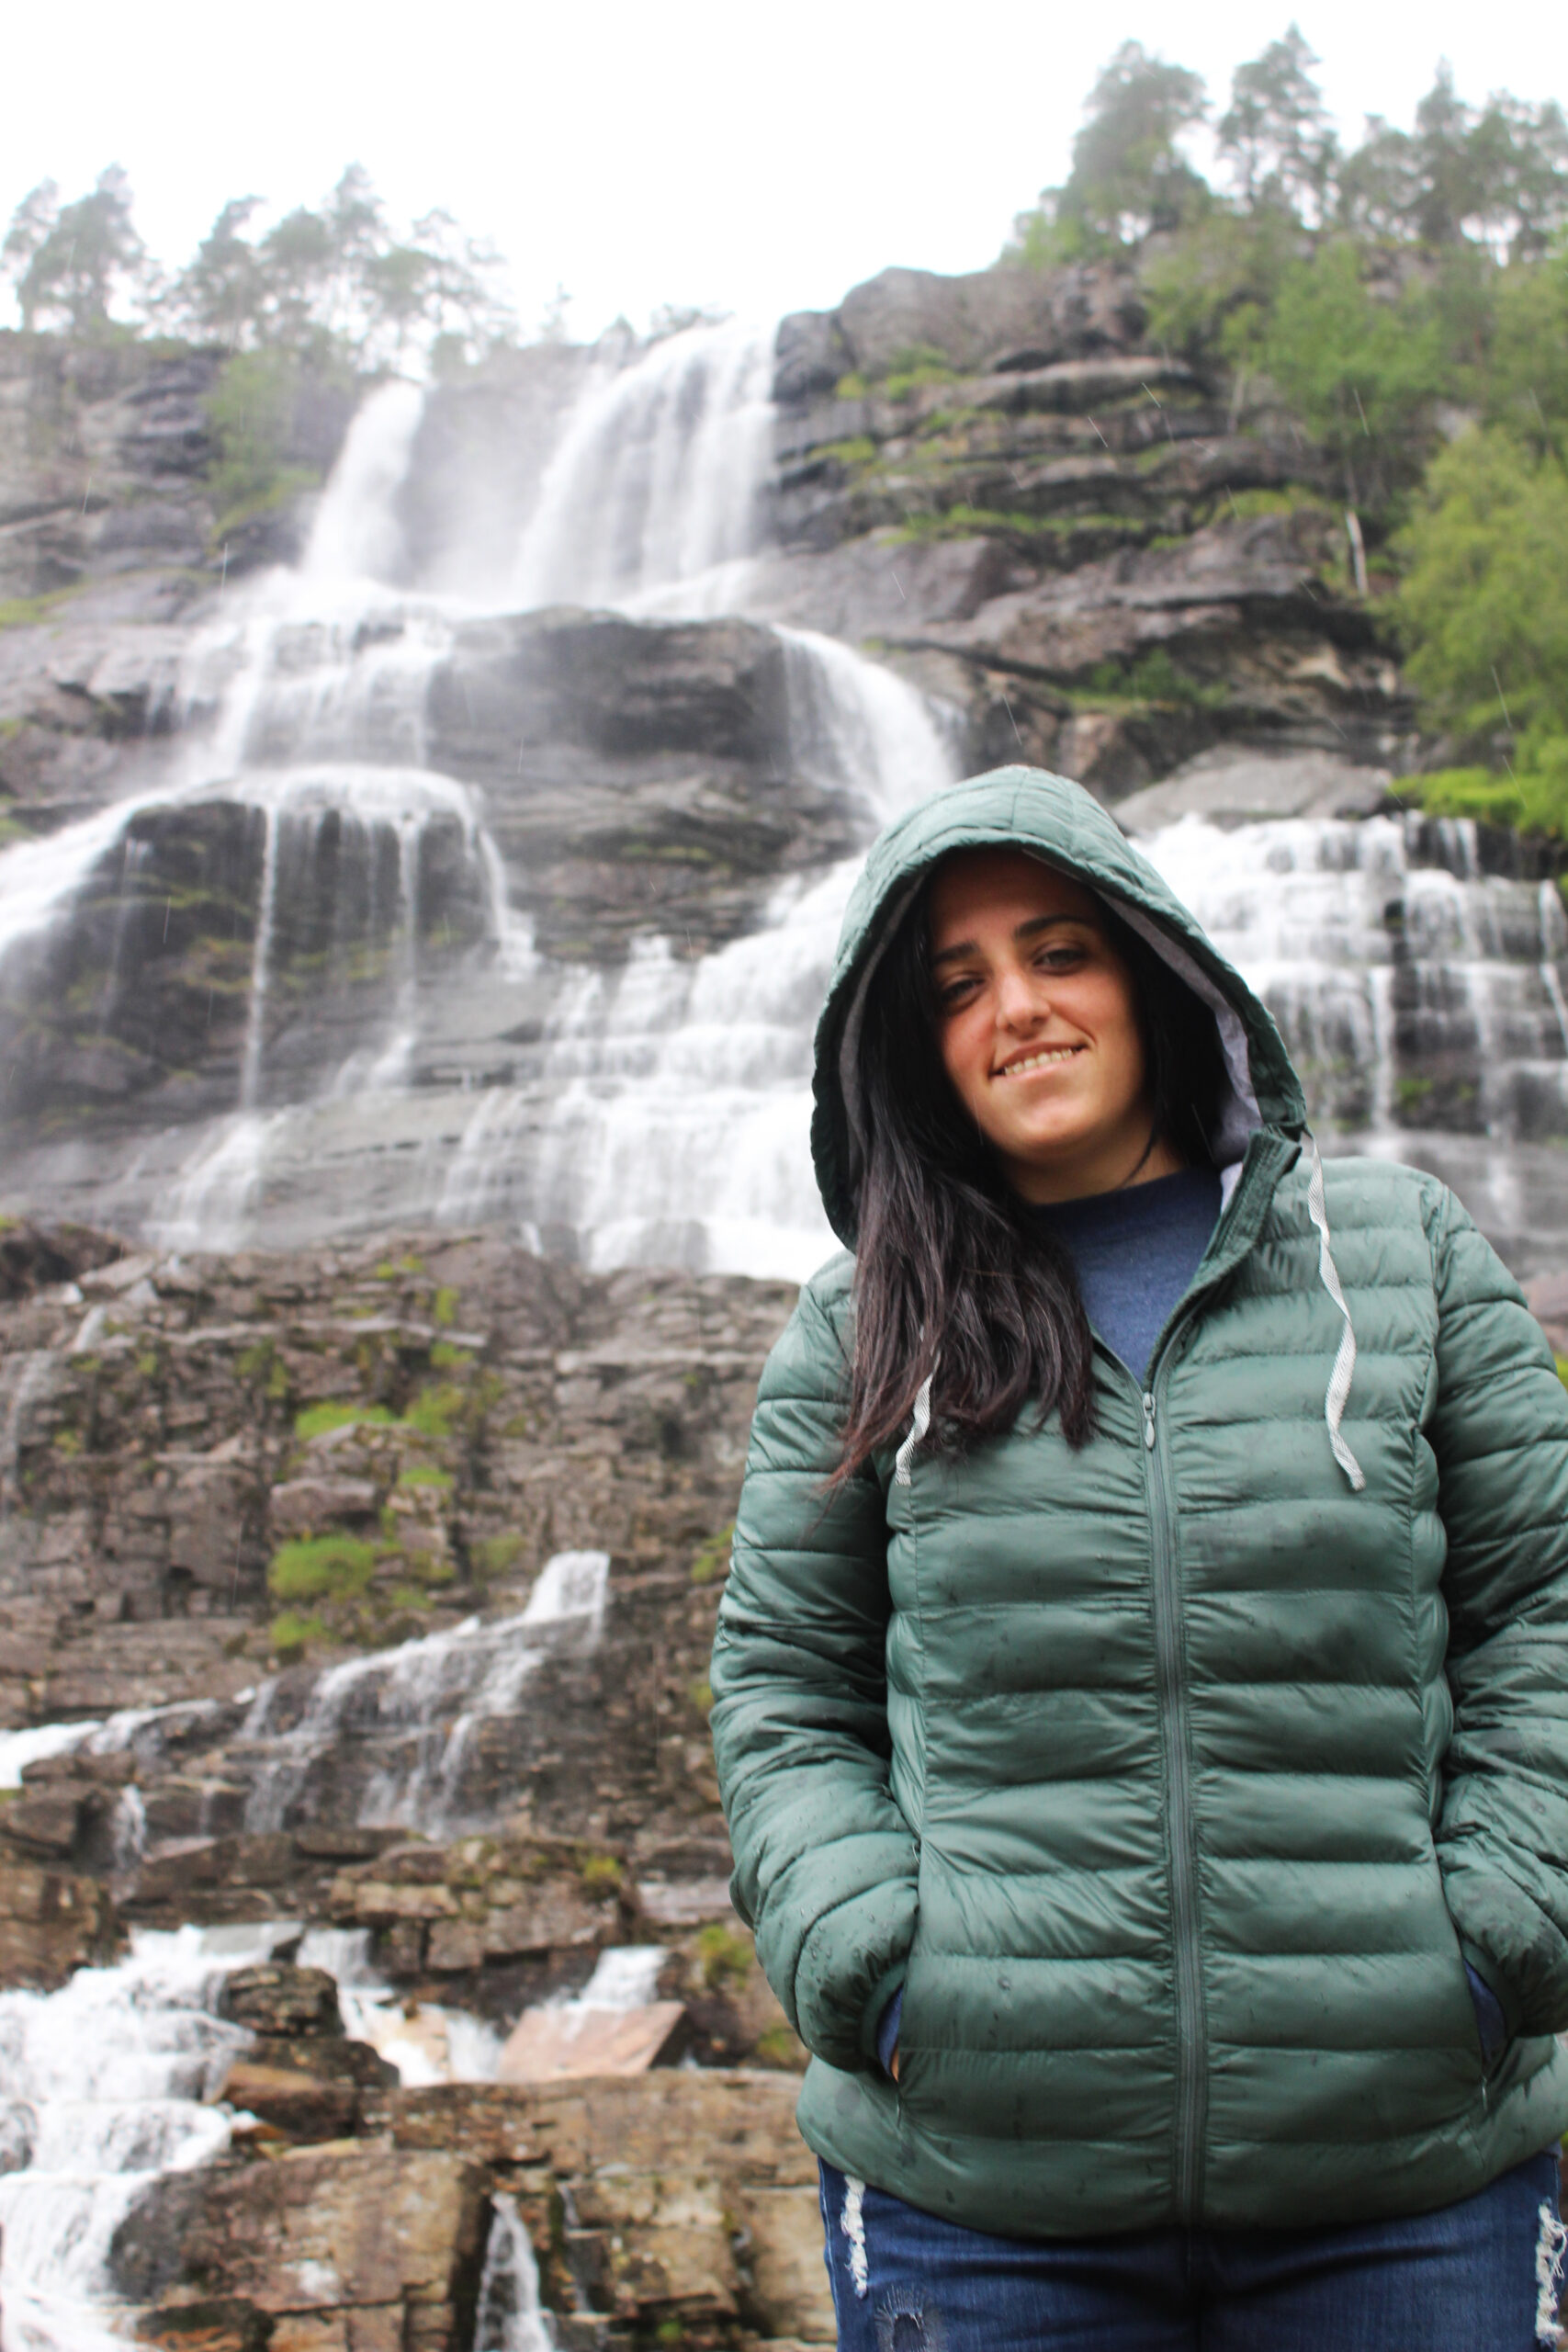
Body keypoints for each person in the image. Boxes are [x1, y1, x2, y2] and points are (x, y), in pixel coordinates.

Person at [708, 765, 1568, 2351]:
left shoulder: (1404, 1256)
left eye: (1060, 953)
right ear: (913, 1047)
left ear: (1157, 971)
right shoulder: (863, 1329)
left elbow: (1544, 1615)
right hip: (983, 2194)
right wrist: (876, 1970)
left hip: (1405, 2173)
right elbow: (782, 1687)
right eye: (958, 986)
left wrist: (1499, 1942)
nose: (1017, 1009)